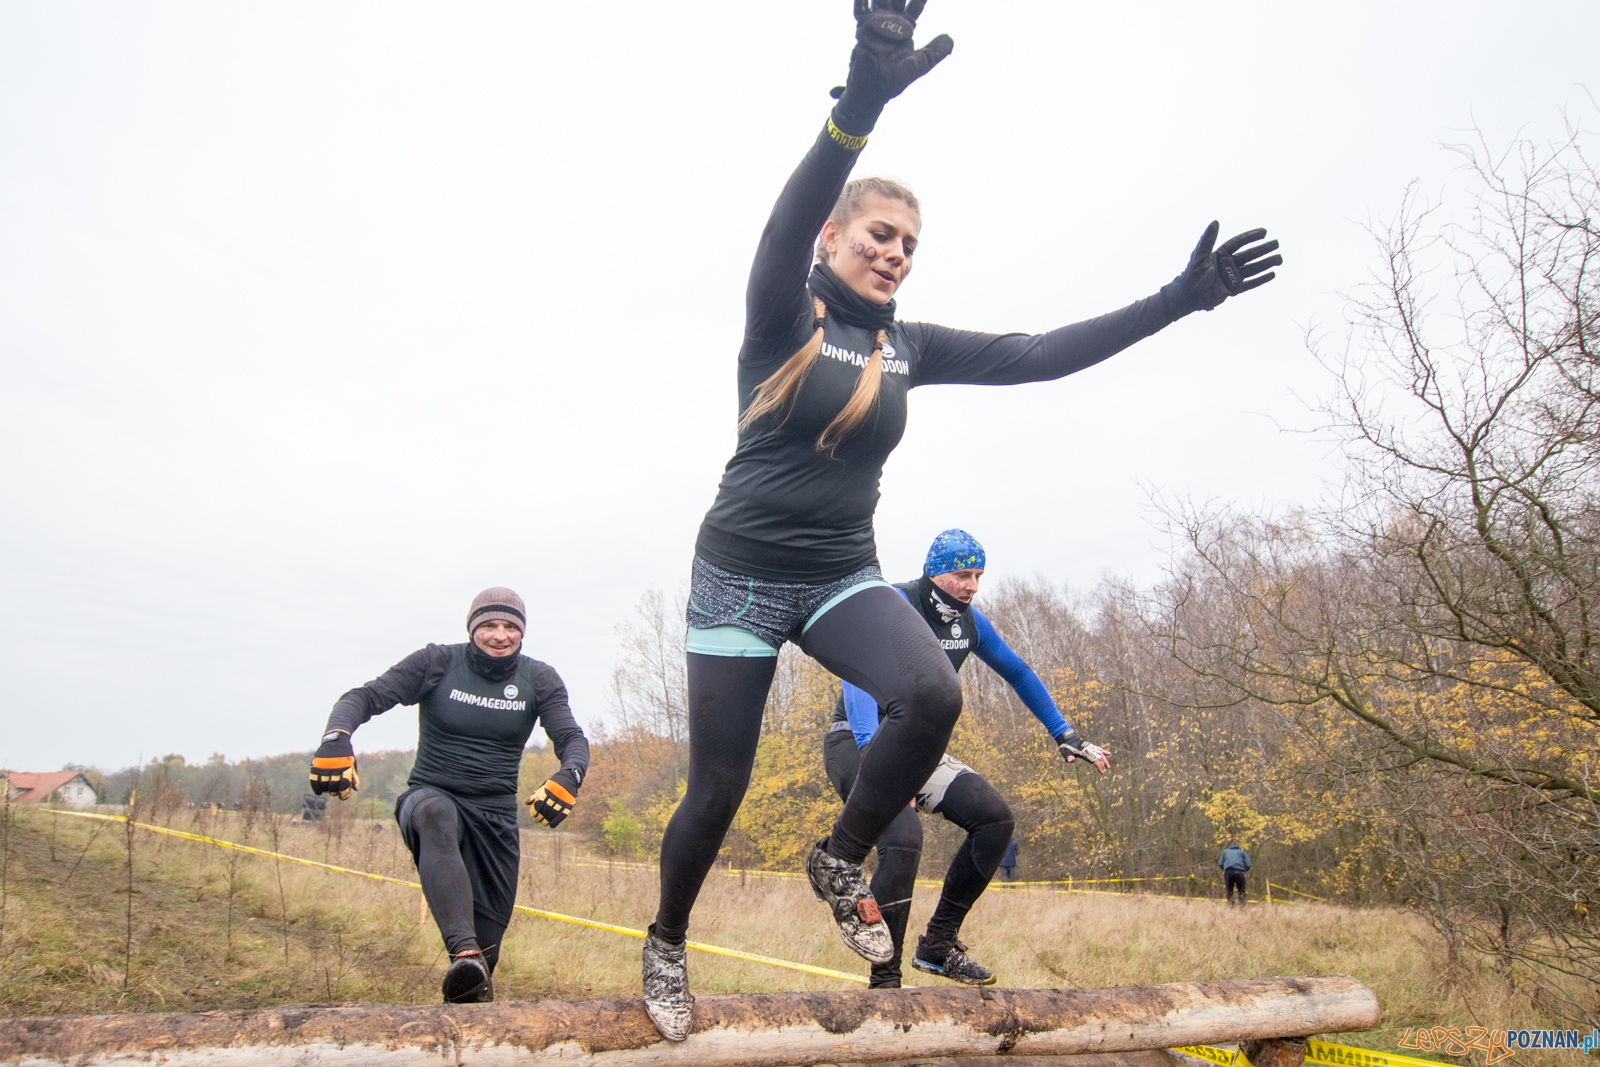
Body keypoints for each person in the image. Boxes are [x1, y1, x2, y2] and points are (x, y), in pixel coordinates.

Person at [644, 0, 1281, 1040]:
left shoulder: (910, 347)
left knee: (930, 688)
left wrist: (1176, 299)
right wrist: (858, 104)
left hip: (841, 571)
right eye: (877, 235)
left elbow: (1037, 353)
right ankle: (667, 938)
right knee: (715, 790)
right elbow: (777, 221)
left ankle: (840, 855)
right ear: (834, 238)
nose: (894, 253)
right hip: (738, 577)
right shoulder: (781, 313)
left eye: (908, 242)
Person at [823, 530, 1110, 987]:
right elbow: (853, 678)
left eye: (978, 576)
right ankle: (885, 981)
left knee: (995, 819)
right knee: (904, 837)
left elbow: (1018, 671)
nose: (972, 586)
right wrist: (876, 755)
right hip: (858, 740)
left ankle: (938, 945)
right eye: (962, 575)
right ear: (934, 572)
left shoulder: (970, 624)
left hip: (915, 744)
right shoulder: (894, 603)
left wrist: (1064, 731)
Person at [308, 587, 590, 1003]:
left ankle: (465, 1015)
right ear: (472, 628)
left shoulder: (538, 678)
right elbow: (362, 697)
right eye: (489, 625)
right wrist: (336, 738)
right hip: (429, 798)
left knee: (480, 972)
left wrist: (570, 775)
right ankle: (463, 948)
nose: (499, 635)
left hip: (494, 821)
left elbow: (572, 738)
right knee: (437, 812)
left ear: (522, 632)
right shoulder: (438, 662)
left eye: (510, 626)